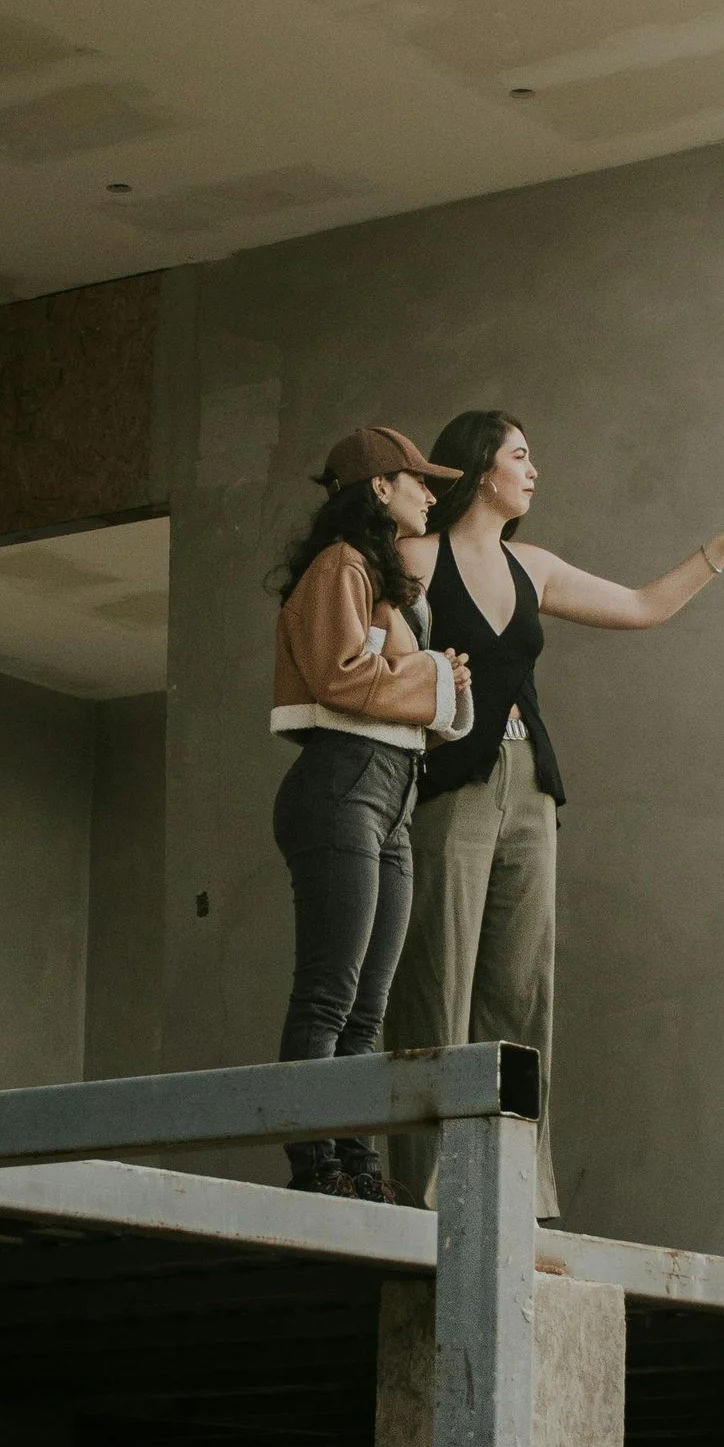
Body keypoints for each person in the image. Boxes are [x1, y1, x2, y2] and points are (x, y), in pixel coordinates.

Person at [388, 409, 724, 1219]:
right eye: (520, 456)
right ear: (479, 467)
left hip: (530, 784)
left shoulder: (531, 565)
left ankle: (515, 1194)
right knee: (439, 981)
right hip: (449, 784)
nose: (533, 471)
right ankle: (421, 1192)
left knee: (520, 991)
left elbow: (643, 606)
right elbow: (377, 651)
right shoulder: (412, 559)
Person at [269, 423, 473, 1198]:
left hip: (389, 791)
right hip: (343, 785)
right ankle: (313, 1166)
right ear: (379, 488)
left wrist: (434, 677)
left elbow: (401, 688)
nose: (431, 492)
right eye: (419, 479)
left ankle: (356, 1165)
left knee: (367, 1007)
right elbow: (340, 675)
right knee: (329, 992)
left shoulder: (382, 582)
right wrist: (430, 674)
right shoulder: (340, 565)